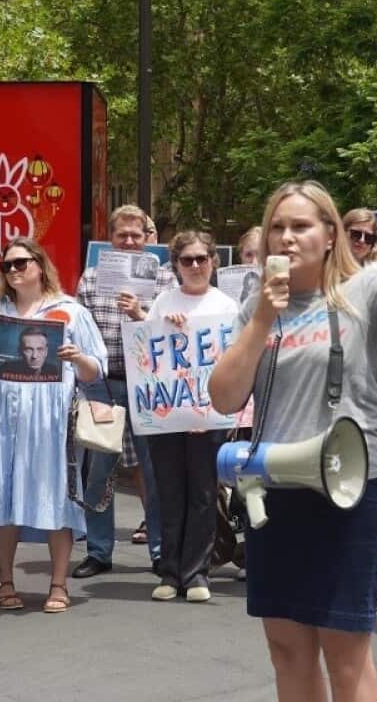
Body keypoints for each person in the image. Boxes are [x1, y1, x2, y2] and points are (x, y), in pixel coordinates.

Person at [208, 126, 377, 701]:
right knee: (286, 646)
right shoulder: (256, 306)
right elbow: (225, 397)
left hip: (350, 491)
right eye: (277, 227)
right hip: (275, 489)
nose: (287, 237)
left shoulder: (368, 292)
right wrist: (262, 319)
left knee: (345, 650)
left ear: (330, 234)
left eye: (300, 226)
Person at [0, 238, 106, 613]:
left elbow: (96, 370)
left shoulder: (70, 311)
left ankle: (58, 583)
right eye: (6, 266)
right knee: (3, 493)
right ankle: (6, 581)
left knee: (57, 494)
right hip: (3, 419)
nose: (13, 271)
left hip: (51, 419)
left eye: (21, 263)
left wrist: (78, 358)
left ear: (40, 265)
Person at [73, 205, 173, 580]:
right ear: (110, 238)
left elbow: (173, 335)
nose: (129, 241)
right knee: (99, 472)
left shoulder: (165, 278)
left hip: (149, 386)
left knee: (155, 471)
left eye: (136, 235)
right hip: (103, 384)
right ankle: (98, 552)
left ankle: (161, 551)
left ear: (147, 237)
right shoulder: (91, 278)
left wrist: (139, 315)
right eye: (122, 235)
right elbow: (80, 331)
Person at [146, 231, 238, 603]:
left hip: (208, 415)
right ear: (176, 265)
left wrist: (218, 411)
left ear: (214, 261)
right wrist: (163, 326)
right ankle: (170, 572)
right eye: (188, 260)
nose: (196, 265)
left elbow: (234, 362)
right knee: (169, 492)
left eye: (202, 258)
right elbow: (147, 355)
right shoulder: (162, 302)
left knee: (203, 494)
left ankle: (197, 572)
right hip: (167, 415)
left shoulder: (227, 306)